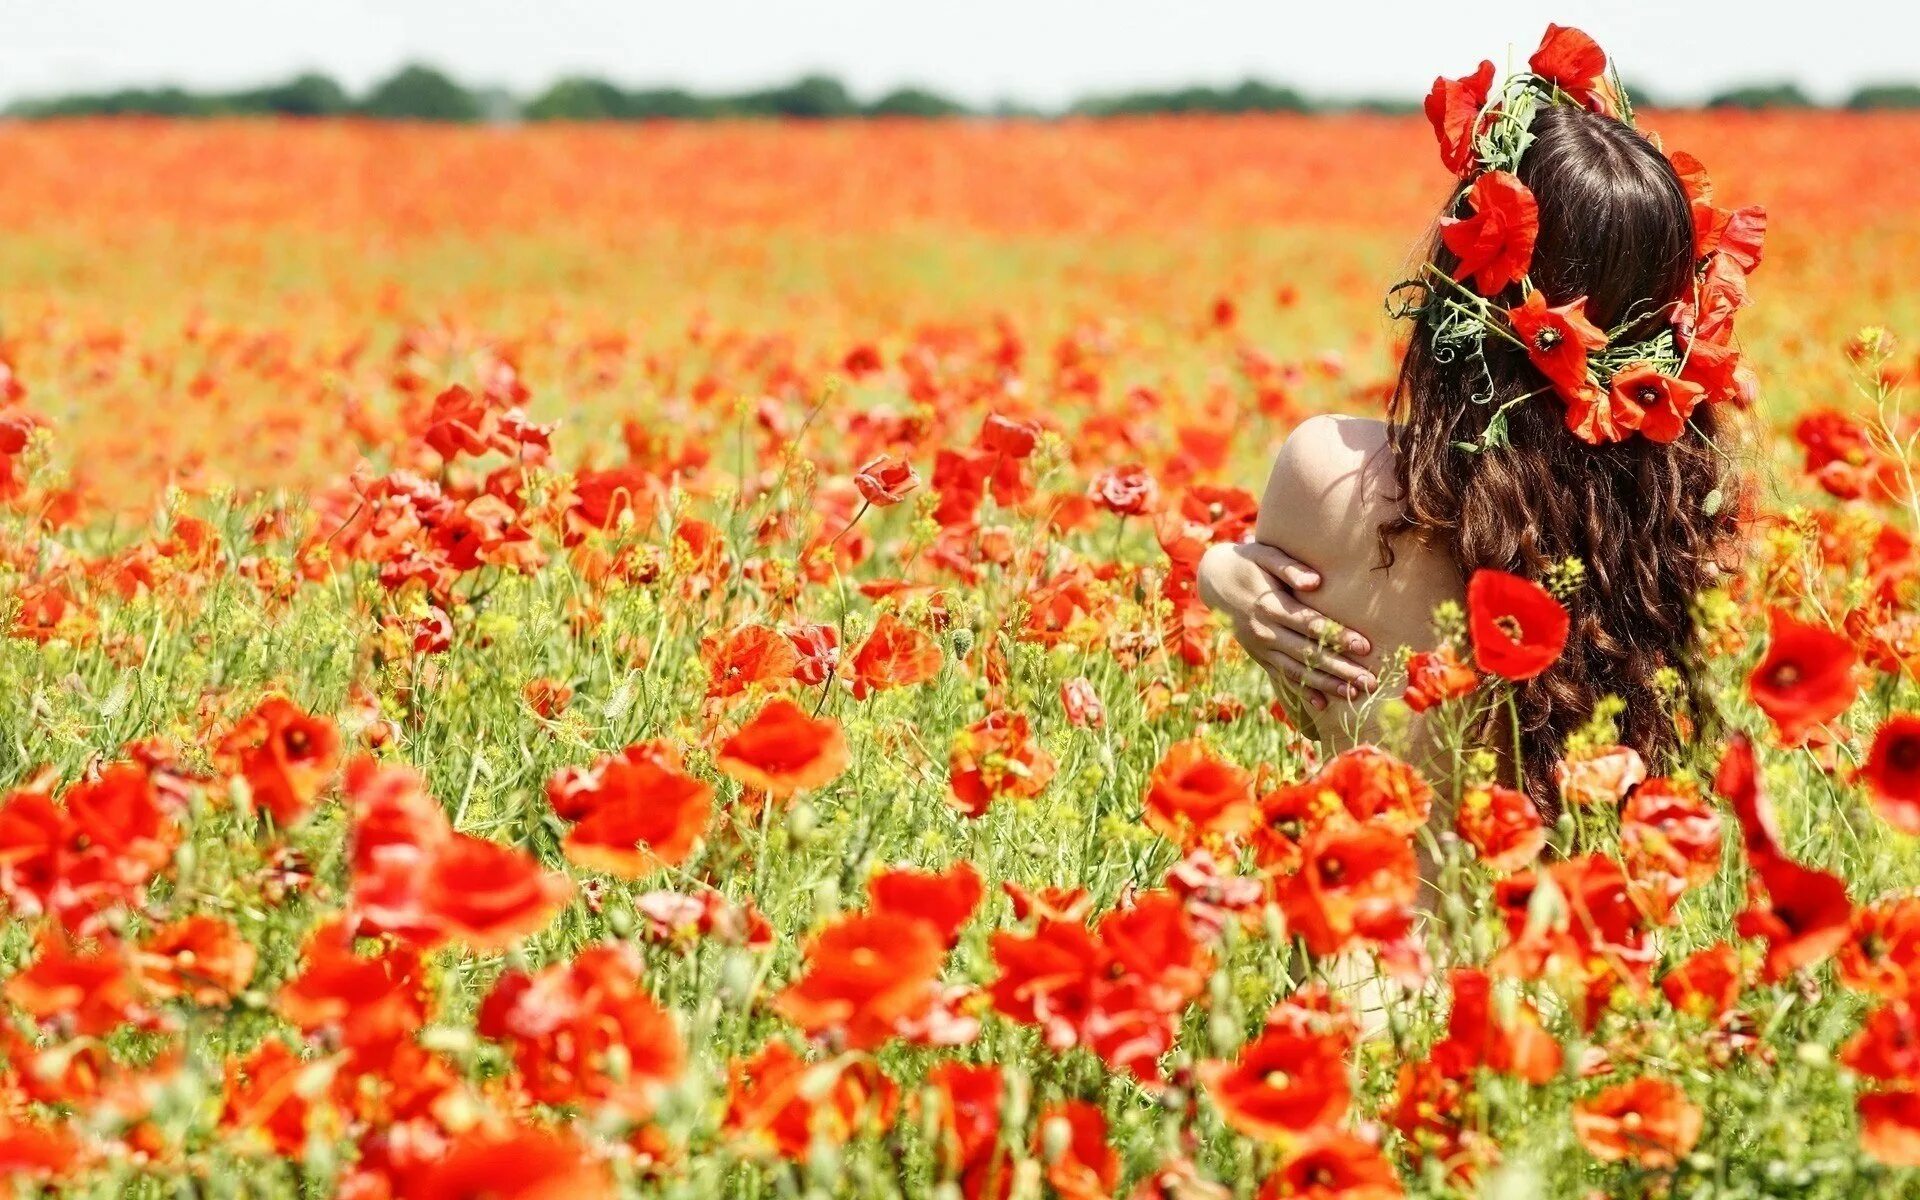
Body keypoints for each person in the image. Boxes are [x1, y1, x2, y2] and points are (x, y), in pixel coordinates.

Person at [1198, 26, 1756, 818]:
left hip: (1367, 936)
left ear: (1465, 270)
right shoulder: (1677, 535)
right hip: (1566, 940)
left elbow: (1315, 711)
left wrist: (1219, 574)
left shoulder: (1327, 474)